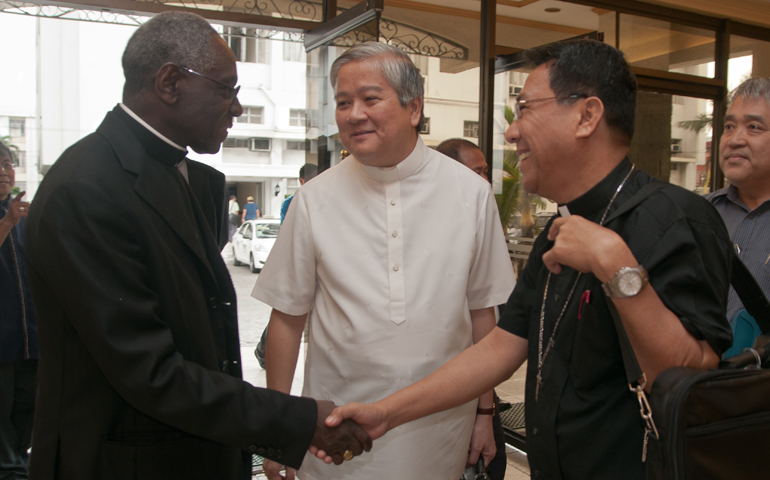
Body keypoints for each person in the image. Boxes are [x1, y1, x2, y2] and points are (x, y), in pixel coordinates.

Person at [326, 39, 734, 480]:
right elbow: (501, 347)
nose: (511, 131)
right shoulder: (559, 228)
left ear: (586, 116)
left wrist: (615, 265)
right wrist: (387, 413)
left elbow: (689, 375)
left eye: (525, 109)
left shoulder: (677, 218)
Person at [22, 12, 369, 479]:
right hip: (122, 462)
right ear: (170, 82)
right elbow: (150, 372)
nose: (237, 108)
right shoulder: (86, 189)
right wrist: (299, 421)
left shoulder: (184, 176)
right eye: (227, 89)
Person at [252, 42, 515, 480]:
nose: (354, 113)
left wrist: (485, 412)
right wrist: (281, 431)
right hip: (336, 431)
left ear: (413, 108)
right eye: (342, 102)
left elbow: (482, 312)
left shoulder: (471, 193)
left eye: (370, 99)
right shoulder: (313, 200)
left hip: (438, 427)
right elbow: (286, 318)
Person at [436, 138, 506, 480]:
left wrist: (486, 411)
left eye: (485, 171)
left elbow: (484, 319)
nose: (485, 181)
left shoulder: (477, 220)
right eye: (477, 171)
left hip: (476, 389)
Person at [705, 77, 770, 356]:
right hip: (695, 388)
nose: (735, 139)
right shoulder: (698, 214)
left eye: (754, 127)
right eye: (729, 126)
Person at [0, 145, 37, 480]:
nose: (4, 171)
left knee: (27, 413)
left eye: (8, 164)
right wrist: (8, 221)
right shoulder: (13, 216)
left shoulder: (24, 214)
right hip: (1, 341)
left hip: (31, 339)